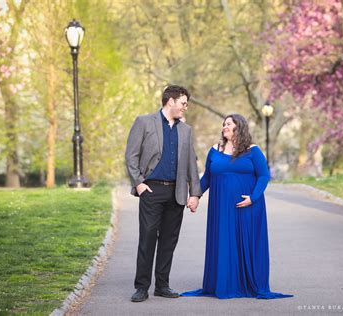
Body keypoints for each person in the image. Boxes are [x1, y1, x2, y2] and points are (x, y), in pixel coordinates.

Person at [181, 114, 293, 299]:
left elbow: (264, 176)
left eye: (229, 124)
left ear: (239, 127)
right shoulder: (214, 150)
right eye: (224, 124)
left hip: (248, 206)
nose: (224, 127)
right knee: (224, 242)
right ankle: (225, 283)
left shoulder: (253, 151)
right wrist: (195, 196)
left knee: (246, 244)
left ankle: (249, 283)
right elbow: (207, 178)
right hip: (221, 209)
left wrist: (253, 197)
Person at [125, 85, 202, 302]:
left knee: (169, 240)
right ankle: (141, 287)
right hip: (151, 190)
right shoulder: (144, 122)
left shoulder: (186, 130)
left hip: (176, 192)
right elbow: (131, 156)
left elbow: (191, 164)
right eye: (183, 103)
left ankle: (162, 285)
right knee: (148, 238)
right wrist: (139, 184)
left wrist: (194, 193)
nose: (185, 107)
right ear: (171, 101)